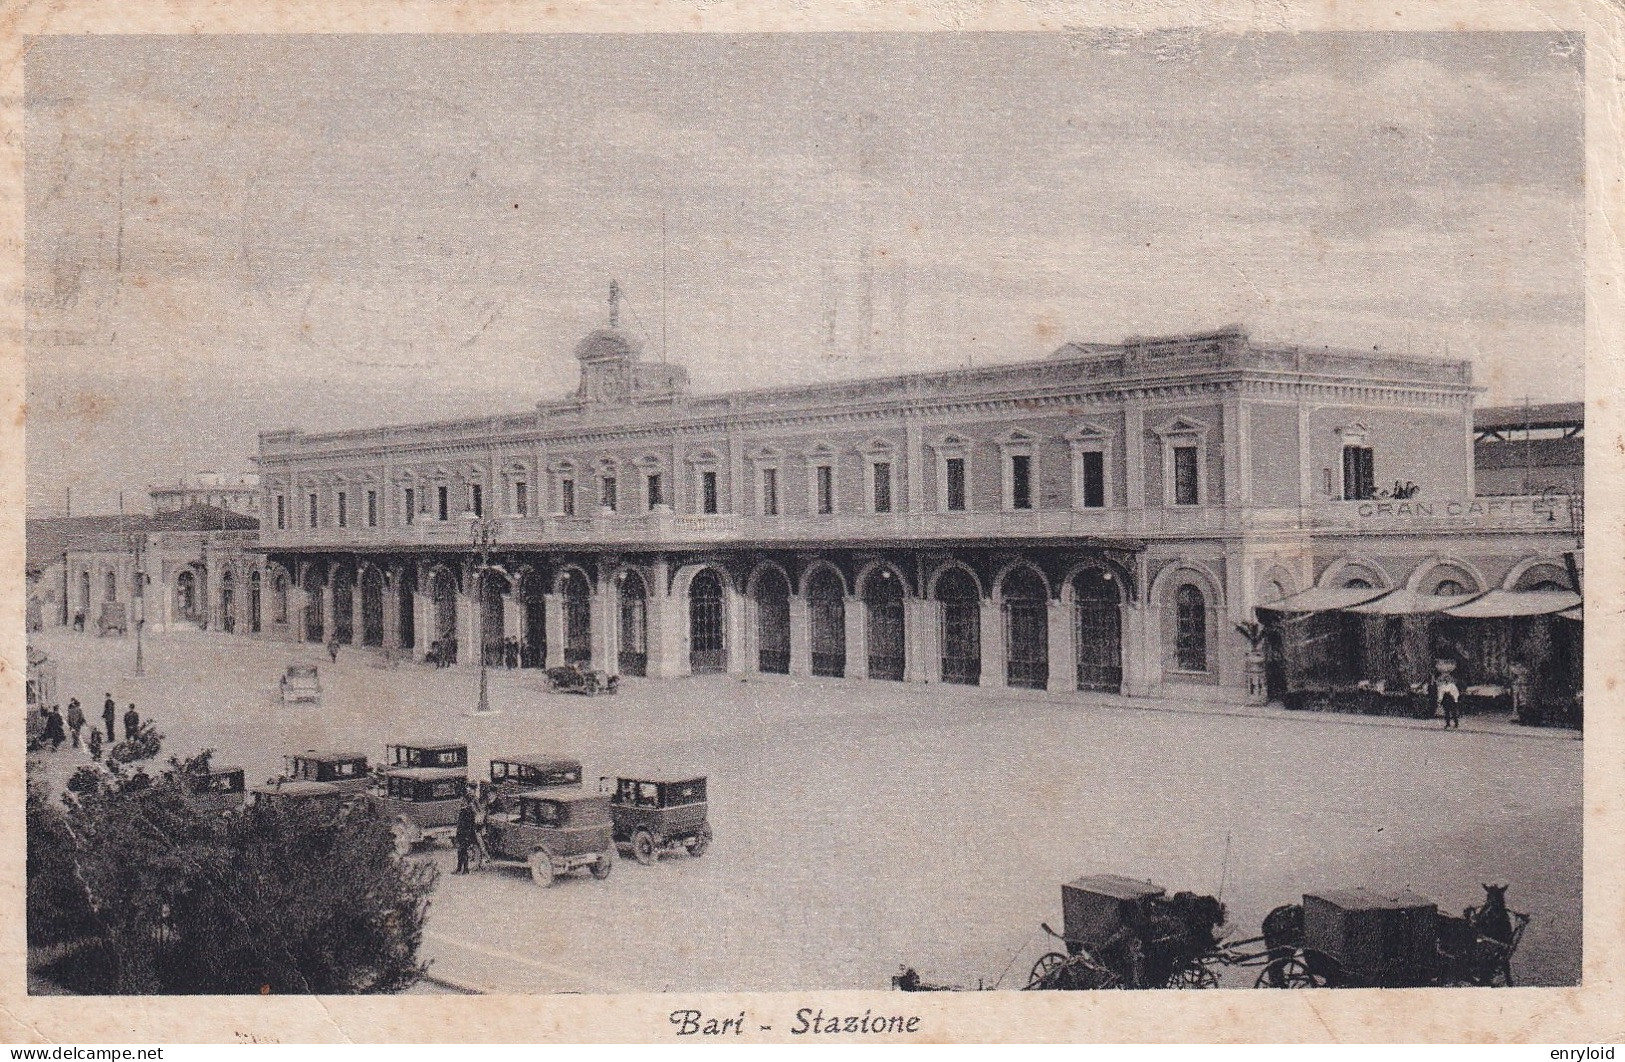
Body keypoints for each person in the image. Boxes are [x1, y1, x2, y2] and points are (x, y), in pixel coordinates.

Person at [454, 798, 479, 875]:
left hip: (465, 835)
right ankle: (459, 868)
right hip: (461, 834)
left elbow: (470, 825)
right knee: (460, 851)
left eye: (463, 801)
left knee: (463, 852)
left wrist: (468, 836)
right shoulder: (463, 811)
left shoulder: (468, 811)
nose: (461, 802)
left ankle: (465, 869)